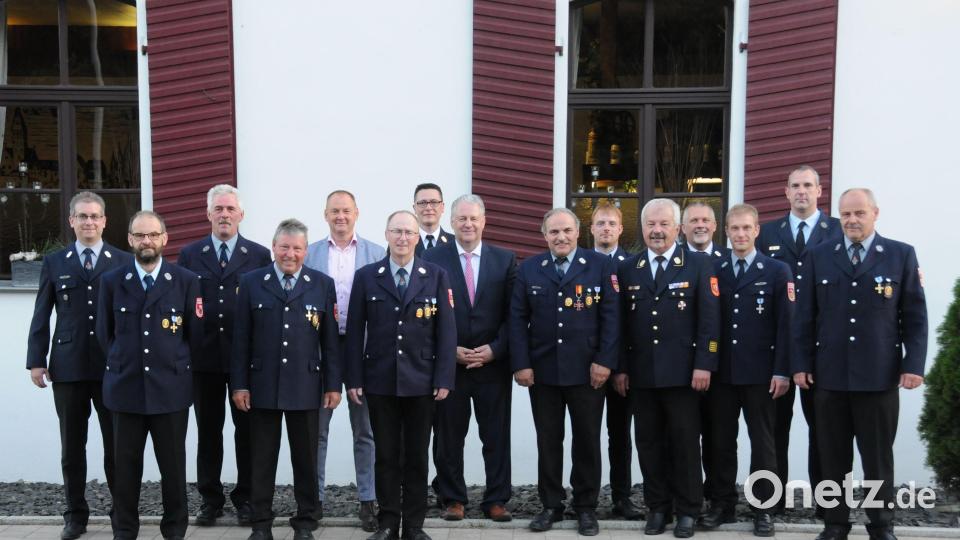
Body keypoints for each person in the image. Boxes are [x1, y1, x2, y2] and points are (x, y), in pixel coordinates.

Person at [793, 188, 927, 540]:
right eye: (846, 214)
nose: (851, 220)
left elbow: (914, 316)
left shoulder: (900, 255)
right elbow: (804, 317)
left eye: (859, 213)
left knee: (877, 458)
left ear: (875, 213)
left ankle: (881, 525)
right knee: (832, 457)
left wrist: (913, 364)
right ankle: (835, 524)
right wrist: (801, 363)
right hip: (829, 376)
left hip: (879, 377)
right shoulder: (818, 256)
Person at [26, 191, 131, 540]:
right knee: (72, 448)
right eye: (82, 216)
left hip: (111, 367)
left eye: (95, 216)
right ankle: (75, 516)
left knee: (117, 447)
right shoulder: (55, 262)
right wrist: (36, 360)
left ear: (105, 221)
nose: (89, 222)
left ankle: (122, 515)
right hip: (68, 367)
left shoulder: (122, 261)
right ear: (72, 221)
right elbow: (42, 313)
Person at [345, 210, 457, 540]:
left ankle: (414, 526)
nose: (403, 238)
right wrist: (354, 378)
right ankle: (388, 523)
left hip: (422, 381)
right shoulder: (367, 276)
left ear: (417, 237)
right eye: (397, 231)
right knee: (386, 456)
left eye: (409, 232)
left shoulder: (435, 275)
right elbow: (355, 331)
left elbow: (447, 332)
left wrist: (444, 378)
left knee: (417, 457)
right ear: (387, 234)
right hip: (380, 380)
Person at [509, 208, 620, 536]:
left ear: (578, 232)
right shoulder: (530, 268)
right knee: (548, 441)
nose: (561, 237)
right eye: (554, 232)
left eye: (567, 231)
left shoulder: (600, 266)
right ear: (544, 235)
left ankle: (586, 507)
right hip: (543, 372)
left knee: (587, 440)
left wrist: (605, 361)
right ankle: (551, 505)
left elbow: (612, 318)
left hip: (588, 372)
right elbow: (517, 319)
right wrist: (521, 363)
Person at [614, 198, 720, 538]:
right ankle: (658, 508)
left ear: (677, 228)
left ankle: (688, 510)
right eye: (651, 224)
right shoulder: (628, 268)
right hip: (642, 375)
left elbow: (710, 322)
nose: (657, 231)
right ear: (642, 228)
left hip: (684, 376)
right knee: (649, 444)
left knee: (685, 444)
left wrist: (705, 363)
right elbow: (620, 326)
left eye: (663, 224)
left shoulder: (698, 264)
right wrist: (621, 368)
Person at [231, 218, 342, 540]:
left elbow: (330, 341)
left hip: (305, 385)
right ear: (273, 247)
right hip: (262, 385)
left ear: (306, 251)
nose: (289, 254)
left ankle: (306, 522)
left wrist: (333, 385)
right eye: (284, 247)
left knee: (305, 460)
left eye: (296, 248)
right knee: (261, 460)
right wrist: (240, 384)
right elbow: (241, 339)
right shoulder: (251, 282)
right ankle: (260, 525)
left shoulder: (322, 284)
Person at [96, 210, 203, 540]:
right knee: (124, 468)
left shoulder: (186, 281)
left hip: (170, 389)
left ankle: (174, 530)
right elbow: (104, 334)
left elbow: (195, 336)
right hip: (125, 389)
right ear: (130, 239)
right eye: (140, 235)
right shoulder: (111, 281)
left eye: (153, 235)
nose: (147, 241)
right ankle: (125, 530)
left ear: (164, 239)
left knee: (173, 468)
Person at [178, 185, 271, 526]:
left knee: (247, 433)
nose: (224, 215)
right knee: (208, 432)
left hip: (244, 360)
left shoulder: (259, 255)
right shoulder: (190, 255)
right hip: (203, 359)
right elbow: (184, 305)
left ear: (241, 214)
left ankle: (246, 498)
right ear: (208, 214)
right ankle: (210, 499)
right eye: (218, 209)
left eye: (230, 209)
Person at [701, 204, 794, 537]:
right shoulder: (714, 269)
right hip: (723, 374)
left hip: (761, 374)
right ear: (726, 232)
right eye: (734, 228)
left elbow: (786, 326)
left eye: (746, 228)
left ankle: (763, 508)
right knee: (720, 443)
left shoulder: (777, 270)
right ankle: (721, 504)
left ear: (757, 231)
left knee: (764, 444)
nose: (740, 234)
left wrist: (782, 370)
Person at [424, 194, 516, 522]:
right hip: (451, 366)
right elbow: (426, 314)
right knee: (449, 437)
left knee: (496, 436)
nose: (468, 224)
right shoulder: (432, 259)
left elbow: (514, 314)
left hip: (493, 365)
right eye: (462, 218)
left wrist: (496, 349)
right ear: (451, 222)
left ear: (484, 221)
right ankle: (452, 499)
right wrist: (449, 351)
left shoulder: (504, 260)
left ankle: (497, 500)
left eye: (474, 218)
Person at [757, 165, 841, 515]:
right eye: (795, 185)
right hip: (775, 349)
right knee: (773, 429)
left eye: (808, 185)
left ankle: (826, 503)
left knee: (824, 429)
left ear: (820, 191)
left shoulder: (838, 230)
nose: (802, 191)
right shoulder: (767, 232)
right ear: (786, 192)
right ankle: (771, 502)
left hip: (819, 348)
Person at [304, 190, 385, 532]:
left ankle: (369, 500)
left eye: (346, 211)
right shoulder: (309, 254)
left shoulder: (376, 253)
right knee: (316, 430)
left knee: (365, 430)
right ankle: (314, 501)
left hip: (361, 348)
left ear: (357, 213)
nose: (341, 216)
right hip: (319, 348)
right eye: (335, 211)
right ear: (325, 214)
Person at [588, 203, 640, 520]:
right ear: (591, 228)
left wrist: (621, 367)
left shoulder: (632, 266)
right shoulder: (583, 264)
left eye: (611, 223)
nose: (606, 228)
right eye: (600, 223)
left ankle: (622, 497)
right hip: (589, 367)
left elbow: (630, 324)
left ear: (621, 229)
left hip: (623, 371)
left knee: (620, 436)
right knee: (587, 436)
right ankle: (587, 500)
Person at [412, 183, 454, 255]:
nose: (428, 208)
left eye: (434, 202)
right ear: (414, 208)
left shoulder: (455, 243)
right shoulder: (405, 242)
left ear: (442, 207)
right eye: (422, 203)